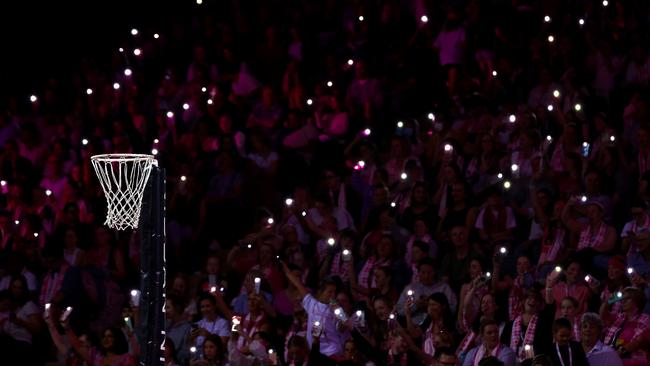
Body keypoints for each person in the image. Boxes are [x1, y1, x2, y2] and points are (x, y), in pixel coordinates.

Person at [281, 261, 346, 356]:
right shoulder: (312, 304)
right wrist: (286, 271)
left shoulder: (336, 309)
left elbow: (343, 327)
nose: (333, 295)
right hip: (314, 351)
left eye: (334, 292)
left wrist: (339, 312)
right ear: (321, 292)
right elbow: (298, 284)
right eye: (330, 292)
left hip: (333, 352)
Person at [600, 286, 650, 364]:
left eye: (627, 299)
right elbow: (602, 315)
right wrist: (609, 301)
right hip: (611, 357)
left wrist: (616, 353)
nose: (623, 301)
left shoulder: (645, 319)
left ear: (637, 301)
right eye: (623, 299)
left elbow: (637, 342)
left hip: (631, 360)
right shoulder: (620, 317)